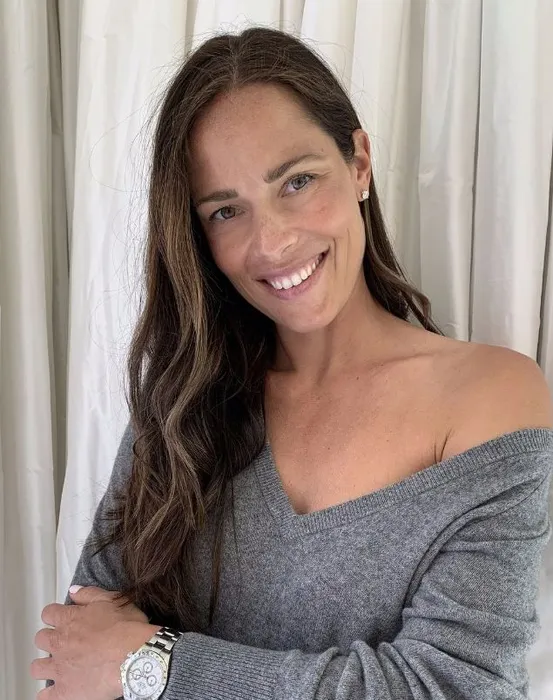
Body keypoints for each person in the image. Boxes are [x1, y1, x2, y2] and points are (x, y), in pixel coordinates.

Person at [32, 26, 553, 700]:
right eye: (226, 211)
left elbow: (453, 686)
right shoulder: (184, 402)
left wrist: (155, 664)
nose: (272, 241)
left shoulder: (490, 396)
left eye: (297, 181)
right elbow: (78, 657)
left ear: (359, 163)